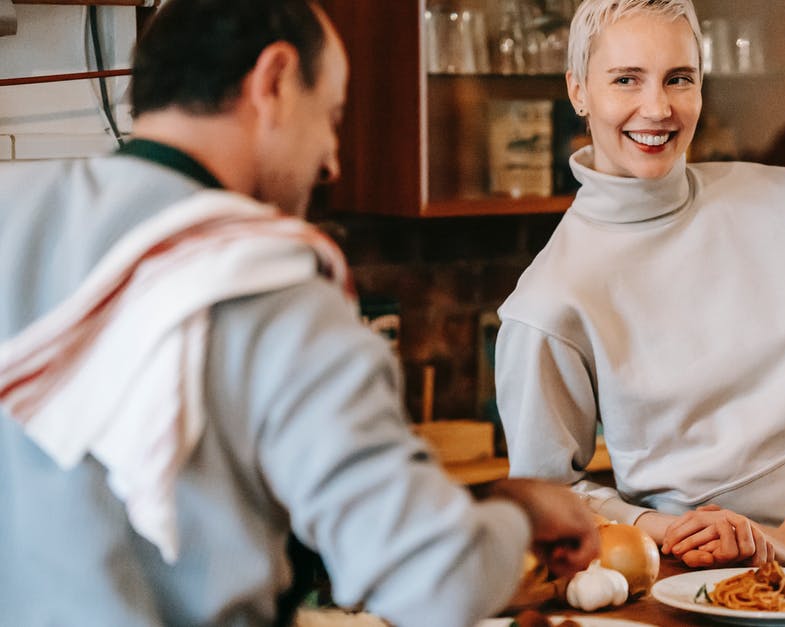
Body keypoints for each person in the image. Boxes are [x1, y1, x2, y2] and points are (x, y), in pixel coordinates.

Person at [0, 2, 597, 626]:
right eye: (331, 117)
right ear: (276, 82)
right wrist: (518, 514)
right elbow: (436, 584)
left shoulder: (12, 217)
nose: (332, 159)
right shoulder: (275, 284)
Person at [496, 0, 785, 571]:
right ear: (578, 91)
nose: (657, 108)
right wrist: (664, 529)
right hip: (709, 570)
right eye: (626, 80)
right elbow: (547, 499)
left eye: (679, 79)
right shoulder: (546, 302)